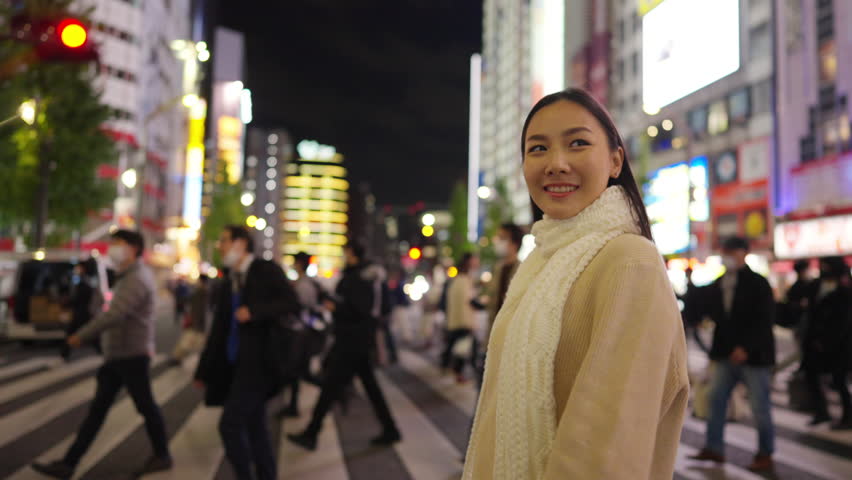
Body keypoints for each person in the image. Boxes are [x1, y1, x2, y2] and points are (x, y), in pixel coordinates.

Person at [463, 88, 688, 480]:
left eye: (578, 143)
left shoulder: (629, 263)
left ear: (616, 160)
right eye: (537, 149)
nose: (556, 164)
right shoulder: (539, 263)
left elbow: (603, 448)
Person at [32, 230, 173, 479]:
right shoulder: (128, 276)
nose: (114, 248)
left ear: (134, 248)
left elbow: (114, 315)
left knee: (144, 407)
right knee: (100, 411)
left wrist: (81, 335)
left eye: (119, 244)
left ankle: (162, 455)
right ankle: (69, 463)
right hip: (120, 355)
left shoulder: (136, 278)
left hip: (131, 355)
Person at [194, 225, 300, 480]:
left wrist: (255, 311)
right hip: (236, 364)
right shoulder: (229, 280)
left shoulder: (264, 269)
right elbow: (219, 331)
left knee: (229, 425)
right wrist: (203, 370)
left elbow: (291, 302)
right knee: (256, 429)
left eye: (224, 241)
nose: (220, 246)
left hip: (259, 363)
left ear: (241, 244)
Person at [288, 241, 401, 451]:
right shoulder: (365, 276)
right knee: (366, 387)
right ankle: (390, 428)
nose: (343, 256)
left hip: (351, 341)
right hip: (356, 340)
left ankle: (312, 432)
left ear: (351, 253)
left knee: (331, 387)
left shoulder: (360, 277)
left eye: (345, 253)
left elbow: (358, 309)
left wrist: (336, 307)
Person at [689, 236, 777, 472]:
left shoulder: (758, 283)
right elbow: (707, 310)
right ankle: (714, 447)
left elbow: (764, 320)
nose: (728, 256)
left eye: (732, 252)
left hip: (754, 357)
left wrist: (746, 348)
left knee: (760, 407)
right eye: (725, 251)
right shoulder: (719, 283)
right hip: (725, 356)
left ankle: (765, 453)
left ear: (744, 253)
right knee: (715, 400)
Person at [801, 256, 852, 429]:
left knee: (839, 381)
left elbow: (843, 321)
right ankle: (821, 412)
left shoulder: (845, 290)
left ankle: (847, 416)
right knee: (812, 377)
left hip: (839, 345)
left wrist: (827, 340)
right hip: (814, 343)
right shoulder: (816, 286)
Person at [278, 251, 325, 418]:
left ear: (299, 264)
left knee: (298, 371)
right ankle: (293, 406)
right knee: (299, 372)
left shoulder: (304, 285)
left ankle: (332, 391)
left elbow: (303, 308)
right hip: (301, 332)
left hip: (301, 333)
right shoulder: (303, 283)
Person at [442, 253, 481, 383]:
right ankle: (460, 372)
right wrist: (484, 306)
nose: (477, 262)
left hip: (457, 320)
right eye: (475, 260)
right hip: (463, 321)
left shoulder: (458, 279)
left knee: (457, 345)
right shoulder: (464, 280)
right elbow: (469, 301)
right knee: (464, 347)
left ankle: (448, 366)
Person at [60, 258, 103, 360]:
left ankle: (64, 353)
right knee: (91, 334)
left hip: (82, 313)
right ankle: (64, 353)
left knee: (77, 333)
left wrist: (67, 303)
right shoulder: (87, 281)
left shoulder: (84, 283)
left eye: (78, 267)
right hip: (84, 312)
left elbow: (78, 299)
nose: (77, 269)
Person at [170, 274, 210, 365]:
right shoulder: (204, 290)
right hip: (198, 320)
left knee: (188, 340)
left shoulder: (201, 291)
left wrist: (192, 318)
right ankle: (178, 358)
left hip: (195, 320)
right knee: (192, 340)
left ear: (201, 280)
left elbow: (197, 307)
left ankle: (177, 358)